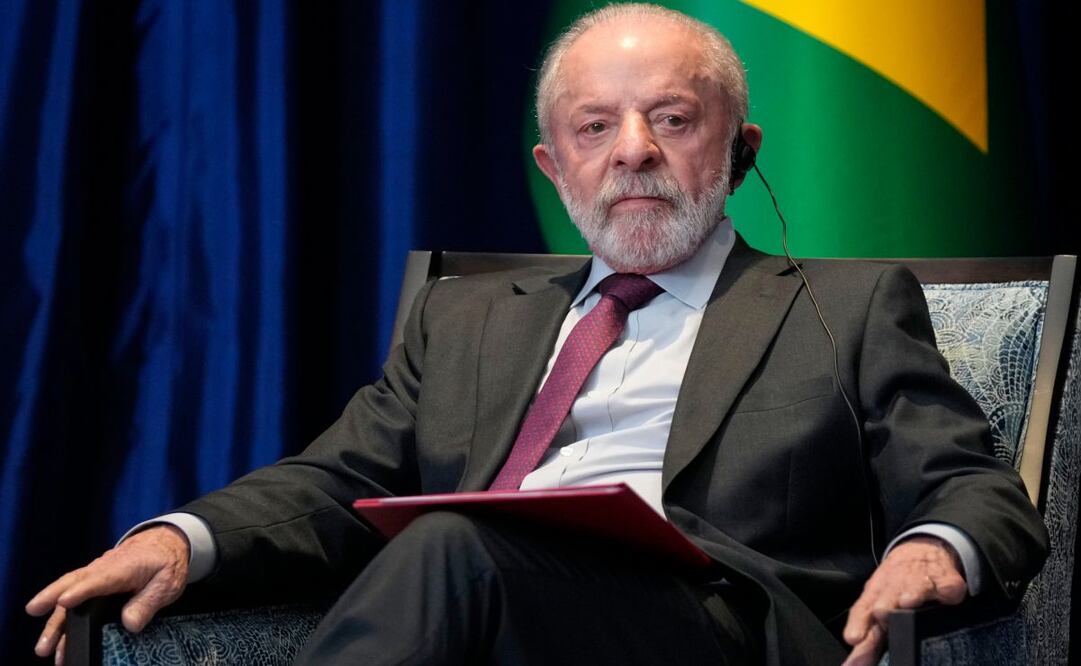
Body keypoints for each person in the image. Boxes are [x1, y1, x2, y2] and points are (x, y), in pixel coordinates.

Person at [28, 4, 1047, 665]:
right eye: (595, 128)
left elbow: (972, 486)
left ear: (739, 152)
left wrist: (931, 548)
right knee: (450, 554)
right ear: (553, 167)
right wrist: (179, 538)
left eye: (674, 120)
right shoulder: (467, 317)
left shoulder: (845, 311)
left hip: (706, 632)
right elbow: (338, 481)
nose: (634, 152)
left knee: (451, 547)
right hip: (481, 619)